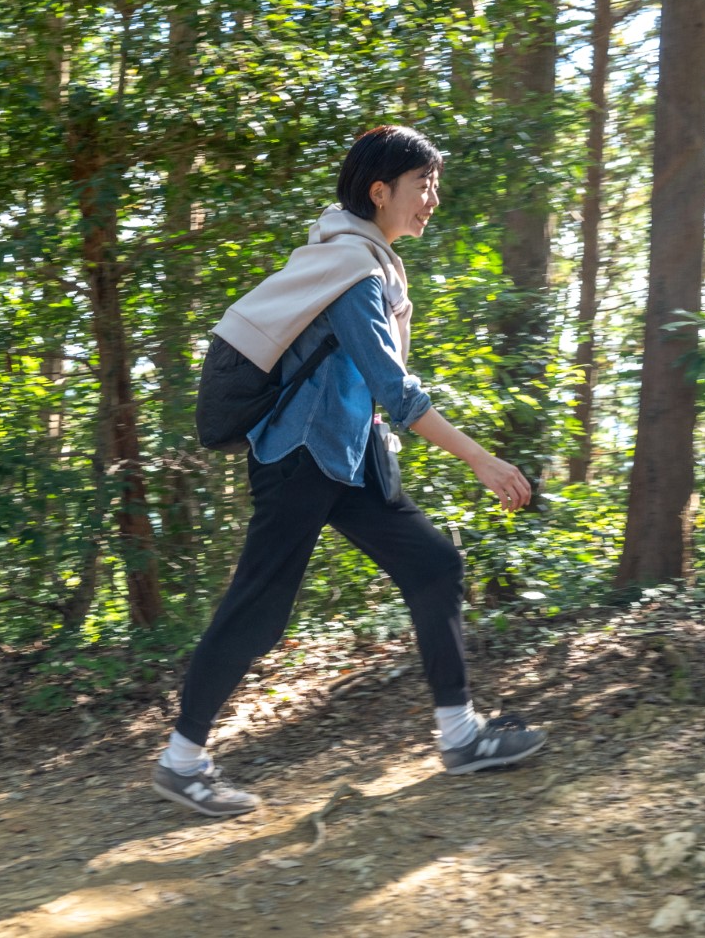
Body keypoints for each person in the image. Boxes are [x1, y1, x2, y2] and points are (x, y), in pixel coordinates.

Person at [154, 125, 547, 818]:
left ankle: (460, 736)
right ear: (379, 190)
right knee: (259, 610)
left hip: (349, 460)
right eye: (423, 186)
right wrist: (483, 460)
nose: (432, 200)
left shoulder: (369, 266)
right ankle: (182, 761)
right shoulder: (352, 273)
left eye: (435, 187)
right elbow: (397, 394)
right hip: (301, 461)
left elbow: (376, 387)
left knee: (432, 568)